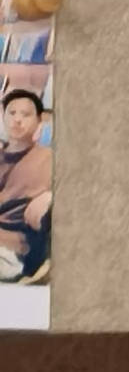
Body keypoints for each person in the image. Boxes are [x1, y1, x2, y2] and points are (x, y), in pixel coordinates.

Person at [0, 79, 51, 282]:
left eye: (26, 114)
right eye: (12, 113)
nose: (17, 120)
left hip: (14, 251)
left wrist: (51, 196)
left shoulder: (50, 159)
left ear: (39, 121)